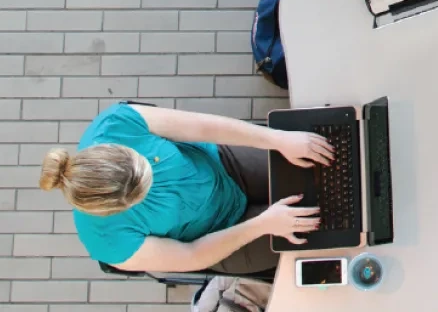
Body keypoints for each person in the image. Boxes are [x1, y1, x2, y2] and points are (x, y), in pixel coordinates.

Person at [39, 102, 335, 275]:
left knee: (324, 164)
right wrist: (263, 224)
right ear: (115, 209)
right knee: (330, 230)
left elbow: (203, 127)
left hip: (223, 165)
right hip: (221, 236)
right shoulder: (106, 241)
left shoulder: (115, 123)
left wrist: (278, 139)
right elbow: (191, 255)